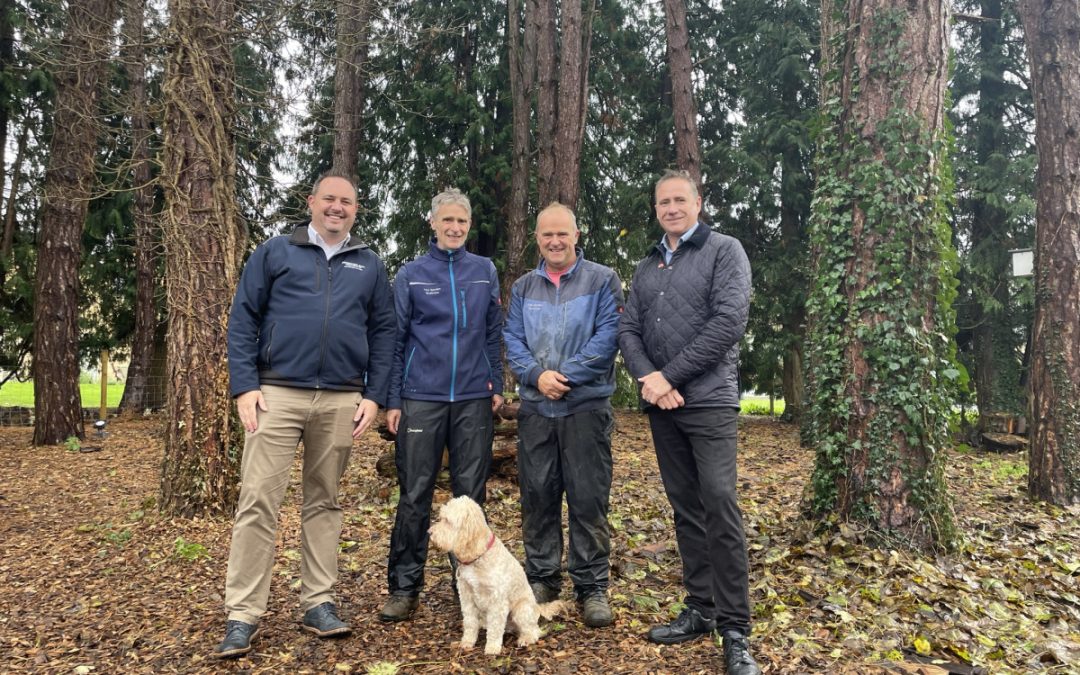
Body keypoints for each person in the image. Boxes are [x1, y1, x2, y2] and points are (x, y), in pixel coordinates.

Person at [214, 172, 397, 658]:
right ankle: (243, 614)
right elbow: (243, 320)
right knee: (258, 502)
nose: (337, 207)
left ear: (356, 210)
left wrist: (374, 396)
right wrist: (245, 386)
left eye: (347, 202)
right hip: (276, 395)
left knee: (325, 503)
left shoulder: (370, 265)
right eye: (329, 199)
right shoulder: (275, 252)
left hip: (340, 399)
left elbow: (384, 335)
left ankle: (318, 602)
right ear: (312, 202)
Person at [617, 170, 760, 675]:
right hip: (664, 406)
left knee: (720, 504)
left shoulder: (725, 251)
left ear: (698, 203)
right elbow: (628, 328)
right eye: (663, 201)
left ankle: (736, 630)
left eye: (680, 199)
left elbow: (728, 323)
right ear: (656, 208)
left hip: (709, 402)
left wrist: (667, 377)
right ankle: (701, 607)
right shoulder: (648, 264)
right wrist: (650, 379)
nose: (672, 207)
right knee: (685, 509)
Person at [380, 188, 504, 622]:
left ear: (469, 227)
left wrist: (497, 384)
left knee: (470, 498)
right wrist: (393, 399)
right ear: (432, 222)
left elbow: (493, 333)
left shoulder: (484, 271)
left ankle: (468, 587)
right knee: (415, 495)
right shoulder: (411, 274)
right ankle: (404, 586)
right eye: (447, 220)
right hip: (421, 398)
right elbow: (395, 341)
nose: (454, 228)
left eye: (462, 222)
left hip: (473, 397)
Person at [503, 202, 624, 628]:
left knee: (588, 498)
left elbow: (608, 338)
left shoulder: (603, 280)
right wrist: (537, 376)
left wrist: (562, 377)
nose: (555, 241)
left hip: (586, 409)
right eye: (546, 235)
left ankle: (592, 587)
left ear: (576, 235)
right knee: (537, 496)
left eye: (562, 233)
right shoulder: (523, 288)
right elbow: (513, 340)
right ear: (537, 239)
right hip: (536, 410)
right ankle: (542, 579)